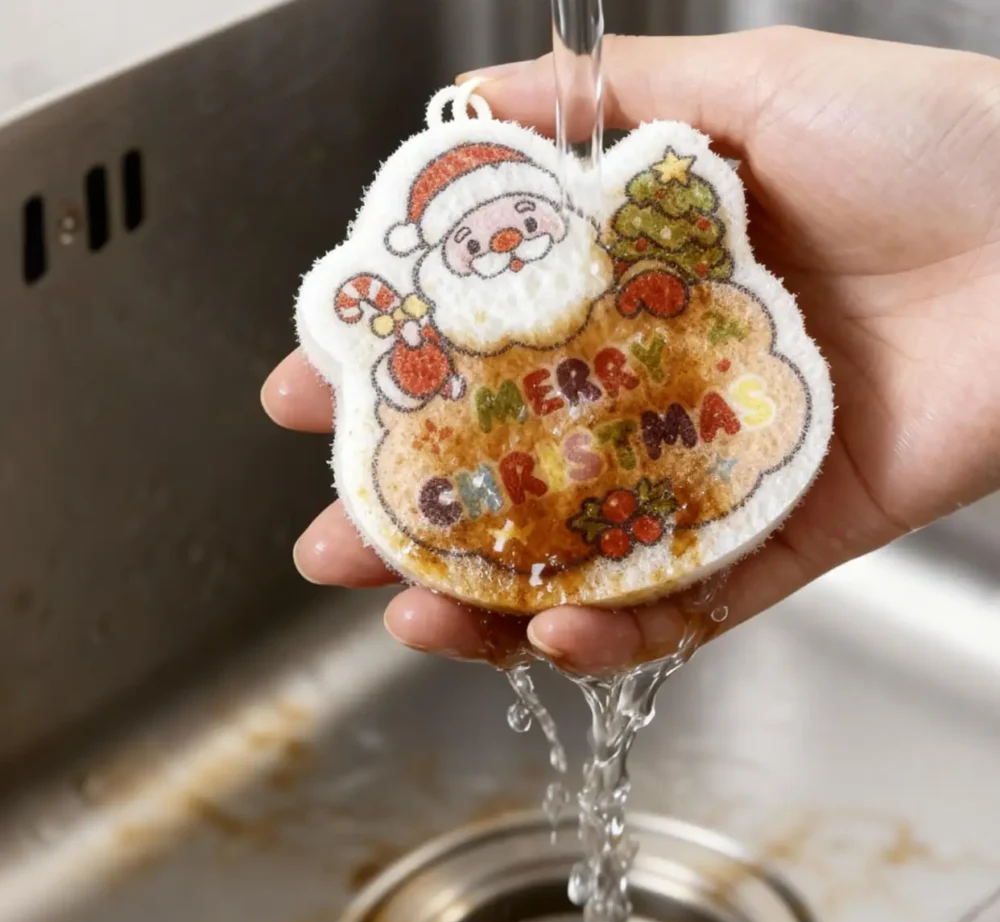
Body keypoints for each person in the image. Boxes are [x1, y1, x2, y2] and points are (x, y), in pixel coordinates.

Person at [261, 27, 1000, 675]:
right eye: (477, 242)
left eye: (525, 218)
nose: (510, 242)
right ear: (439, 264)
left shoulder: (645, 275)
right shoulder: (427, 348)